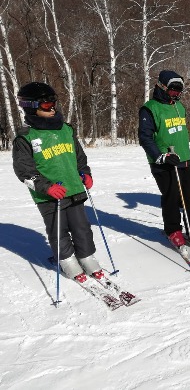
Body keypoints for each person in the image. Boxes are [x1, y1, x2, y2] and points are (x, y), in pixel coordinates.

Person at [12, 82, 106, 282]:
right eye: (46, 105)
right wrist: (46, 187)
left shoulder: (66, 129)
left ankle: (87, 256)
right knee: (58, 230)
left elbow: (79, 157)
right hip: (49, 196)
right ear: (30, 106)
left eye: (53, 102)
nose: (52, 107)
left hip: (74, 189)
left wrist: (85, 172)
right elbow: (24, 171)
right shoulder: (26, 137)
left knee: (82, 227)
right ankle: (67, 260)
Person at [138, 70, 190, 249]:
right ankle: (173, 230)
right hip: (163, 163)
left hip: (183, 160)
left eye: (179, 91)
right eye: (172, 90)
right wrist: (160, 156)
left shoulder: (179, 107)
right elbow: (145, 138)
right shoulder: (149, 108)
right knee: (171, 196)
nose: (176, 95)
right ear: (161, 86)